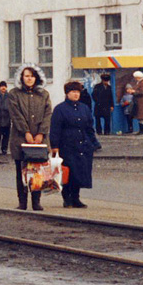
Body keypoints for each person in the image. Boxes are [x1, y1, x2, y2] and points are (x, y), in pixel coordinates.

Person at [50, 81, 100, 209]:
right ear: (67, 94)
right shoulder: (60, 109)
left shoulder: (84, 108)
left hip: (83, 145)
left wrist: (94, 143)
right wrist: (54, 146)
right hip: (67, 145)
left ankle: (76, 198)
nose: (76, 94)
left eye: (78, 92)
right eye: (73, 92)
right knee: (67, 172)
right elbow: (55, 129)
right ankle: (67, 198)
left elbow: (89, 127)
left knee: (80, 172)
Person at [8, 65, 51, 211]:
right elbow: (15, 114)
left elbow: (47, 115)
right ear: (21, 77)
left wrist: (41, 133)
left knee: (37, 171)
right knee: (21, 171)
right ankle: (22, 201)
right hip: (20, 139)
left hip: (39, 140)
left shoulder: (43, 94)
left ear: (37, 78)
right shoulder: (14, 94)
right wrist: (26, 132)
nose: (29, 79)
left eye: (32, 76)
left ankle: (36, 201)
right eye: (26, 76)